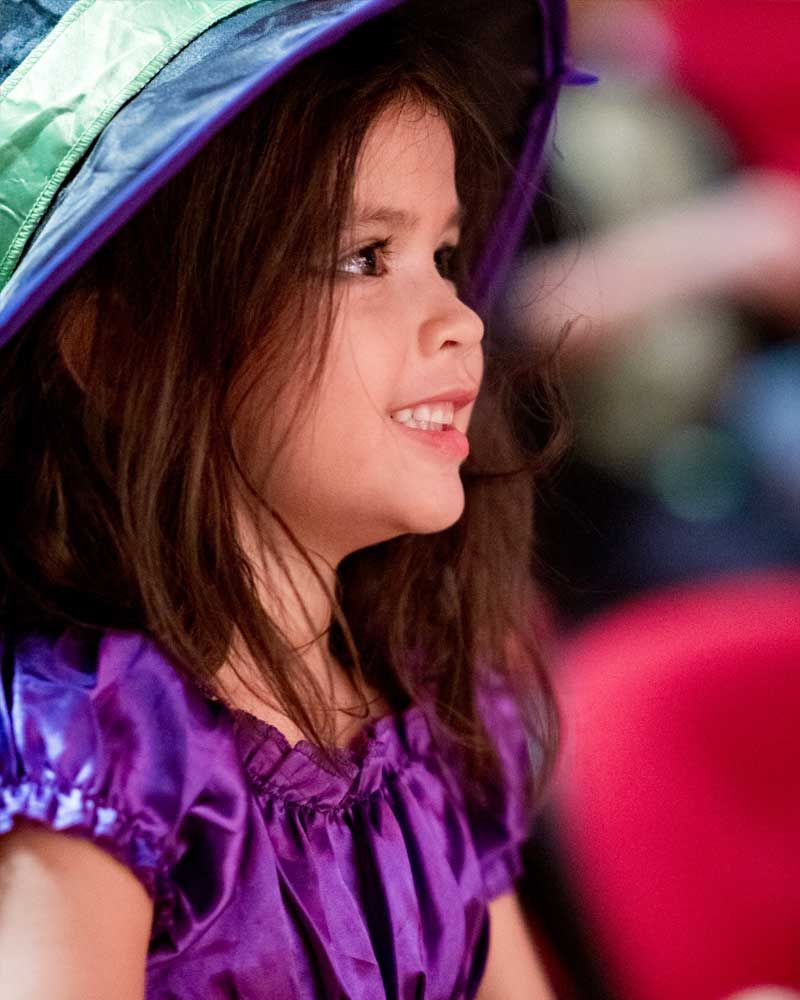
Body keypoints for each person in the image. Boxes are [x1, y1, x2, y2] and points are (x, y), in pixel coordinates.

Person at [0, 1, 580, 997]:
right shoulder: (101, 751)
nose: (457, 319)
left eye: (442, 256)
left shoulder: (428, 707)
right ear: (118, 348)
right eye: (364, 258)